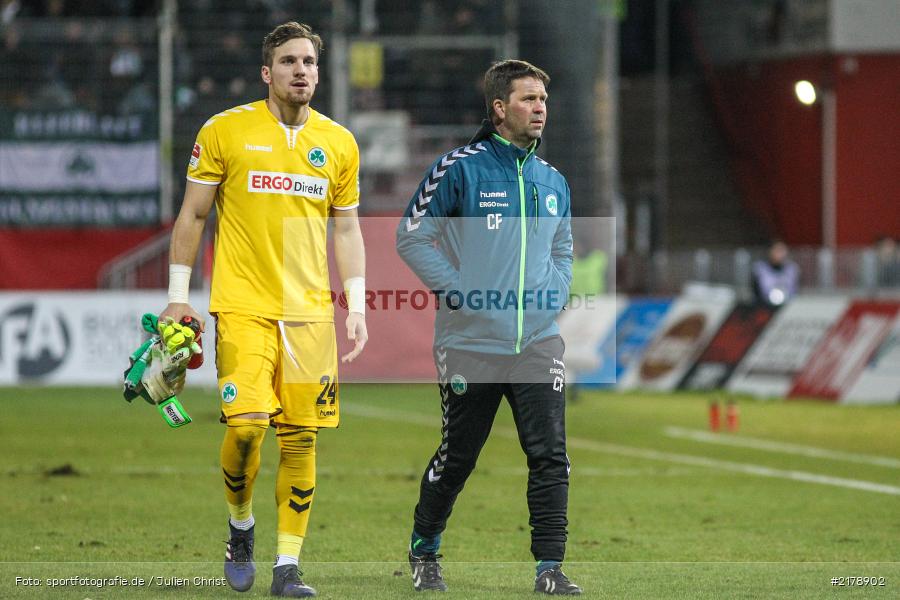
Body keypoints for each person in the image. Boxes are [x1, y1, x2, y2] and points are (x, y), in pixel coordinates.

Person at [158, 22, 367, 598]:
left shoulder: (341, 143)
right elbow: (193, 216)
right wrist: (179, 295)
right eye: (289, 61)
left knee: (301, 440)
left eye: (309, 62)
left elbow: (346, 228)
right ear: (266, 72)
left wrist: (358, 299)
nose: (302, 70)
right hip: (243, 307)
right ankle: (241, 524)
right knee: (247, 430)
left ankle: (287, 568)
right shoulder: (225, 130)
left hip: (310, 317)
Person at [396, 59, 581, 595]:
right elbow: (411, 237)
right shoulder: (460, 168)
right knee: (459, 458)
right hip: (470, 341)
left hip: (538, 341)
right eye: (528, 98)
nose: (540, 107)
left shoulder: (554, 181)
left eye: (543, 98)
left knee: (549, 454)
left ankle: (550, 569)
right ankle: (424, 547)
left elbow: (564, 249)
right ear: (500, 109)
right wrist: (464, 294)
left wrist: (553, 297)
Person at [751, 239, 798, 307]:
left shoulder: (792, 269)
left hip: (787, 306)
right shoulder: (760, 268)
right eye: (777, 250)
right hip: (764, 305)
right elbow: (756, 291)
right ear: (770, 251)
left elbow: (795, 290)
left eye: (782, 250)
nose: (780, 254)